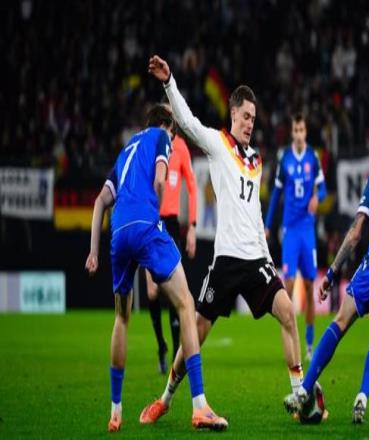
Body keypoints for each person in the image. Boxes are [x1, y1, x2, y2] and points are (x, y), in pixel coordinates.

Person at [139, 55, 303, 425]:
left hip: (256, 260)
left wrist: (268, 257)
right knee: (196, 333)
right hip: (227, 261)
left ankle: (299, 395)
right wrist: (169, 83)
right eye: (245, 117)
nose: (250, 124)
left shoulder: (256, 160)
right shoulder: (217, 143)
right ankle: (166, 398)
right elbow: (187, 122)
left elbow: (256, 214)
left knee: (287, 312)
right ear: (233, 114)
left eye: (253, 119)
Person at [85, 104, 227, 432]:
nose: (173, 143)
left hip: (118, 232)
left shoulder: (125, 151)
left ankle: (116, 411)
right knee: (186, 303)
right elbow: (161, 181)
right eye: (173, 136)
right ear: (166, 126)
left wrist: (93, 252)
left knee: (121, 318)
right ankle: (199, 406)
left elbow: (100, 202)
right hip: (147, 226)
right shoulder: (160, 137)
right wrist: (155, 219)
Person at [284, 114, 369, 424]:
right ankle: (362, 397)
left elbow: (356, 231)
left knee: (341, 321)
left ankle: (303, 390)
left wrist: (331, 273)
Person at [265, 113, 327, 360]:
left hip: (307, 230)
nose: (299, 134)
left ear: (305, 132)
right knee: (288, 286)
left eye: (302, 130)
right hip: (290, 230)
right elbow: (275, 195)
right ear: (292, 133)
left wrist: (317, 197)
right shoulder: (285, 159)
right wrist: (268, 226)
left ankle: (309, 344)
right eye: (296, 130)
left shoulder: (313, 157)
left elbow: (323, 189)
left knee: (310, 286)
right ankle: (290, 339)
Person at [144, 111, 198, 374]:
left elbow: (193, 187)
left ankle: (177, 353)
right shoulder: (151, 146)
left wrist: (193, 227)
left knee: (174, 290)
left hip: (172, 224)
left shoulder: (181, 148)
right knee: (152, 292)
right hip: (151, 221)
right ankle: (161, 346)